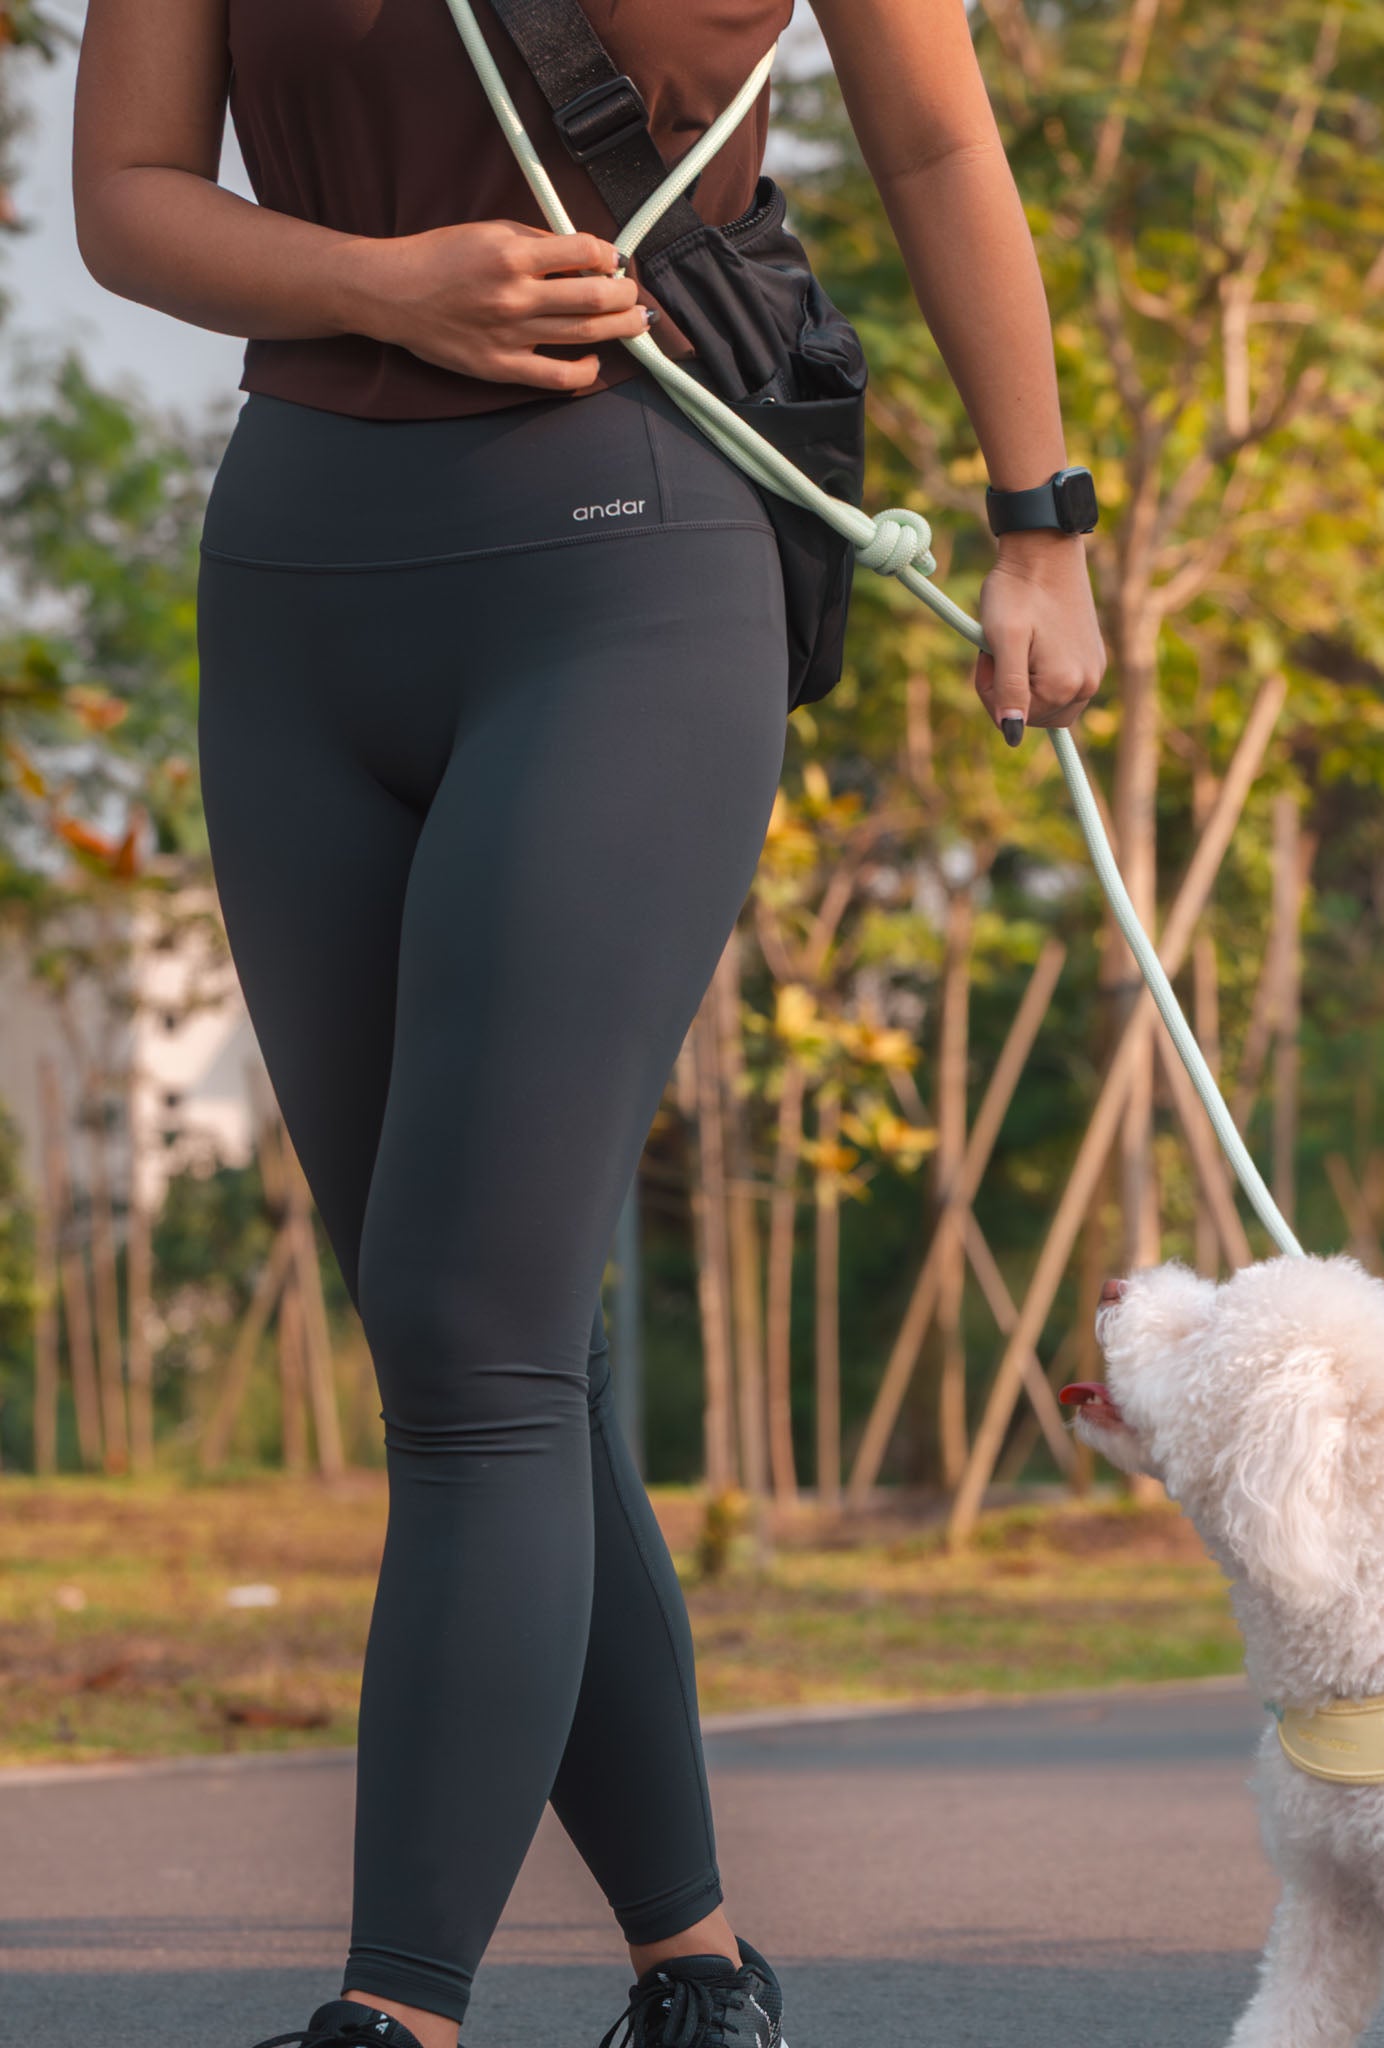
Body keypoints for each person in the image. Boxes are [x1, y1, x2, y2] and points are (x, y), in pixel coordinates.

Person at [72, 2, 1105, 2043]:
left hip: (623, 561)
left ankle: (396, 2012)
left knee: (474, 1333)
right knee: (488, 1329)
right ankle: (698, 1973)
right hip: (290, 586)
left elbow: (933, 147)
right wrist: (382, 284)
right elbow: (125, 200)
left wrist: (1036, 522)